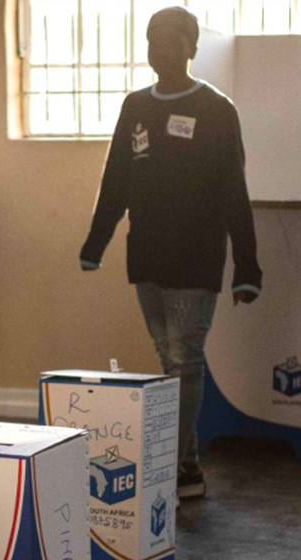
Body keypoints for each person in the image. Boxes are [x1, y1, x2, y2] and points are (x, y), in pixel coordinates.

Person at [79, 6, 261, 500]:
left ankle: (168, 466)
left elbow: (233, 192)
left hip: (196, 258)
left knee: (185, 359)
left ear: (191, 47)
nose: (159, 48)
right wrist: (96, 243)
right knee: (169, 360)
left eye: (169, 39)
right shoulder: (135, 106)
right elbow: (115, 180)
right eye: (151, 39)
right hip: (148, 258)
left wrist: (248, 268)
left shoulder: (217, 109)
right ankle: (189, 468)